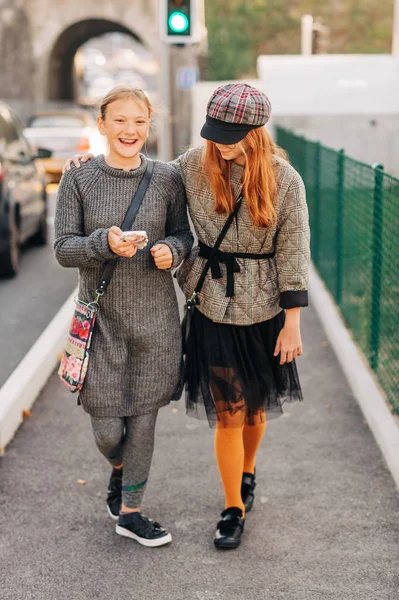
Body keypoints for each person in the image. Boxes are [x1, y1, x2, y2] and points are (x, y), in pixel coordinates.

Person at [63, 82, 310, 550]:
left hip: (266, 309)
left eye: (231, 135)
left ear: (256, 131)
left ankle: (248, 472)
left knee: (256, 407)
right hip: (211, 301)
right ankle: (233, 507)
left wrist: (293, 320)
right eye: (213, 132)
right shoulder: (192, 166)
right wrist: (85, 166)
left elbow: (294, 249)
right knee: (230, 411)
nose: (219, 143)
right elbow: (143, 176)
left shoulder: (284, 179)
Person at [54, 86, 193, 547]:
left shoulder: (167, 178)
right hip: (102, 325)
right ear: (102, 124)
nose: (129, 131)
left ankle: (131, 511)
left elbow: (183, 235)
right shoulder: (78, 180)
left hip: (156, 322)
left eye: (138, 121)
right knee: (108, 428)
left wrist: (169, 251)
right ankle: (120, 467)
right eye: (119, 121)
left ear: (148, 125)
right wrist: (103, 244)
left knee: (145, 420)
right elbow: (62, 249)